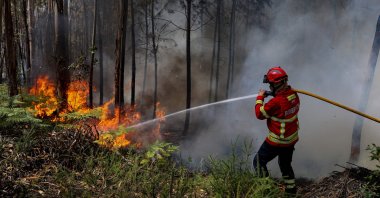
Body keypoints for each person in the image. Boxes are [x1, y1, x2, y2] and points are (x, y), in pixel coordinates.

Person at [253, 66, 300, 194]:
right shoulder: (294, 95)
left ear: (277, 84)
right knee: (285, 165)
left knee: (258, 161)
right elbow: (284, 100)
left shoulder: (276, 103)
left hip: (277, 141)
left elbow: (260, 114)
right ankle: (291, 192)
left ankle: (266, 191)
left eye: (271, 85)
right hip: (290, 140)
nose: (269, 87)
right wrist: (273, 94)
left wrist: (260, 98)